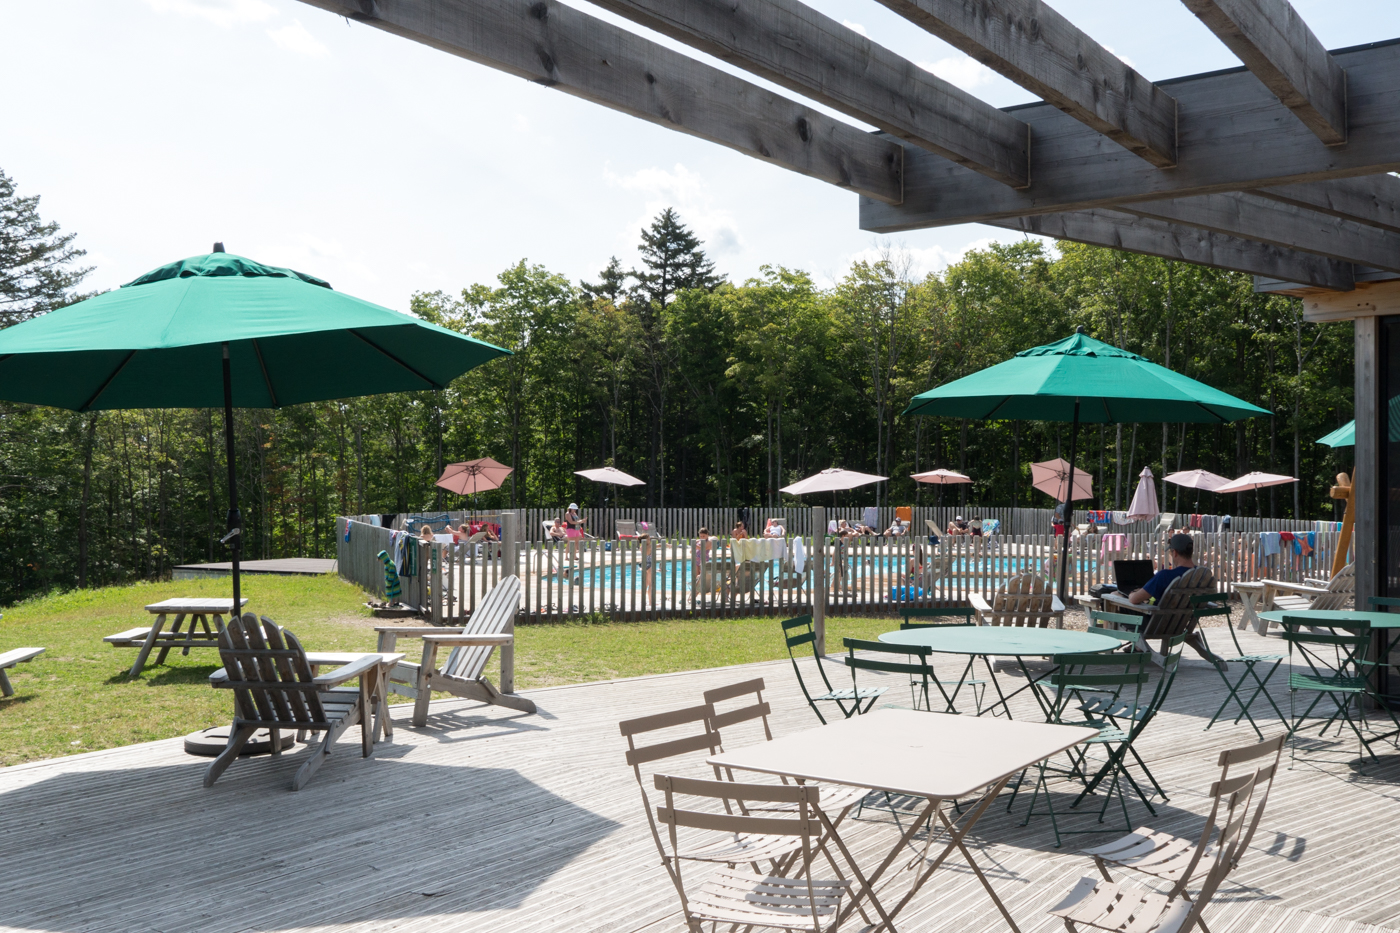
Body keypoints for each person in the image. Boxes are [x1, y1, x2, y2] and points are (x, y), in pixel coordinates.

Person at [1129, 533, 1197, 605]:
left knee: (1119, 597)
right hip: (1188, 615)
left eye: (1171, 552)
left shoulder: (1165, 576)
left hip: (1157, 615)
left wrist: (1131, 594)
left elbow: (1134, 599)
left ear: (1175, 553)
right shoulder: (1201, 575)